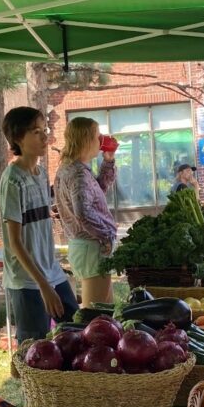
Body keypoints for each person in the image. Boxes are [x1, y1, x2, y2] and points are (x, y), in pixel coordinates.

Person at [0, 106, 79, 343]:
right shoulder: (12, 180)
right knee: (35, 347)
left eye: (45, 130)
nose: (45, 137)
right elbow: (15, 242)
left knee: (76, 332)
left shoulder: (41, 174)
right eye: (36, 132)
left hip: (52, 271)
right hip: (27, 280)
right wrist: (43, 285)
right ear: (17, 139)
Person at [53, 117, 118, 306]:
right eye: (98, 136)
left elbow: (99, 190)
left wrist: (108, 161)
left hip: (88, 246)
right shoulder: (78, 173)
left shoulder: (74, 168)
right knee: (95, 312)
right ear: (86, 139)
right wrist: (106, 235)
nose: (101, 140)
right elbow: (83, 213)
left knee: (105, 310)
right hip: (91, 246)